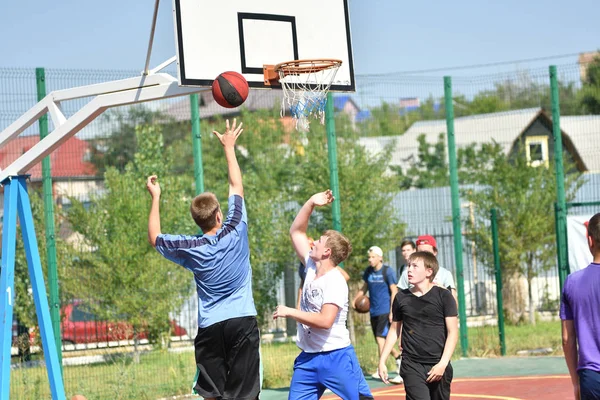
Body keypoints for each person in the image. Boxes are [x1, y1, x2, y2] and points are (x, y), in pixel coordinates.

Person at [146, 119, 260, 400]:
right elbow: (236, 184)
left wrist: (156, 196)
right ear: (219, 215)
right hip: (242, 320)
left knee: (212, 394)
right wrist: (228, 147)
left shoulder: (191, 247)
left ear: (197, 221)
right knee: (245, 394)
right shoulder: (235, 228)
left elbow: (155, 237)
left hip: (210, 327)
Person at [273, 190, 373, 400]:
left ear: (327, 252)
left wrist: (291, 312)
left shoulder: (335, 282)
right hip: (309, 359)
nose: (313, 243)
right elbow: (296, 232)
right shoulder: (310, 265)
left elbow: (325, 321)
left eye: (318, 241)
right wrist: (310, 203)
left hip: (335, 356)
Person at [379, 251, 459, 400]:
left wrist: (443, 363)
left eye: (415, 266)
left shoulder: (444, 296)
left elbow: (453, 332)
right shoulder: (401, 297)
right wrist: (382, 360)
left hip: (438, 364)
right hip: (411, 364)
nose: (409, 269)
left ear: (429, 271)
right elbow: (394, 330)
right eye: (409, 265)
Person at [561, 213, 600, 400]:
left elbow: (567, 339)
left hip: (590, 377)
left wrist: (575, 382)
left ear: (590, 241)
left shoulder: (572, 283)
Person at [353, 246, 402, 382]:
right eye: (369, 257)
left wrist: (393, 309)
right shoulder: (368, 272)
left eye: (373, 257)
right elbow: (363, 288)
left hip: (384, 310)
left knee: (381, 339)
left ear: (380, 258)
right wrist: (355, 299)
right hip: (373, 311)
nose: (370, 259)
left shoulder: (387, 271)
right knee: (380, 340)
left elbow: (394, 290)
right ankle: (398, 357)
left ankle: (382, 367)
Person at [398, 235, 458, 305]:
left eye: (427, 253)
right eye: (420, 253)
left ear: (435, 252)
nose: (423, 256)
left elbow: (454, 305)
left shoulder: (445, 274)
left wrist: (443, 291)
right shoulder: (407, 274)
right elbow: (400, 302)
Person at [297, 238, 350, 309]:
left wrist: (325, 289)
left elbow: (346, 276)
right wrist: (298, 304)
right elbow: (303, 284)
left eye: (311, 244)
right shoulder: (305, 264)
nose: (313, 245)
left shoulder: (330, 270)